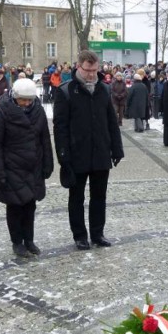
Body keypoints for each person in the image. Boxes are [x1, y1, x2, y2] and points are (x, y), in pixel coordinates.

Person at [53, 50, 124, 251]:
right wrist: (63, 156)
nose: (92, 74)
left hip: (101, 151)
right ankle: (80, 235)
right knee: (77, 197)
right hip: (77, 153)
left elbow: (111, 121)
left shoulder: (103, 89)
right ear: (79, 67)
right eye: (88, 70)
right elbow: (60, 127)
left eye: (95, 70)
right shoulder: (66, 91)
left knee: (99, 196)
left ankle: (97, 233)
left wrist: (116, 149)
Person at [0, 78, 53, 257]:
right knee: (15, 206)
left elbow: (45, 139)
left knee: (30, 205)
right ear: (15, 97)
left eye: (29, 100)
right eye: (23, 100)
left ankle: (29, 240)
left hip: (33, 165)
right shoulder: (2, 112)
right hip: (12, 166)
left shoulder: (37, 110)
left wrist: (47, 163)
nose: (26, 103)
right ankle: (17, 242)